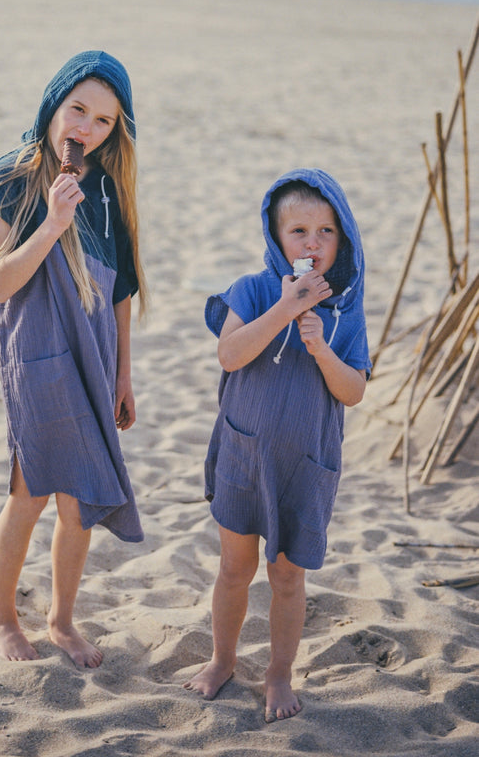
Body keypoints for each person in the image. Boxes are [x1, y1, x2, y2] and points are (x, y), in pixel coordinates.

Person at [0, 50, 147, 667]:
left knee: (79, 497)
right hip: (36, 353)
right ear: (53, 106)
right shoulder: (11, 181)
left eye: (103, 121)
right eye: (78, 110)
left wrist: (123, 372)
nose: (86, 129)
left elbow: (119, 288)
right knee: (30, 490)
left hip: (94, 356)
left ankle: (62, 620)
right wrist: (52, 221)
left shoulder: (111, 193)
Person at [184, 168, 370, 721]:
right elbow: (231, 353)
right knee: (235, 568)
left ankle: (279, 674)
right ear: (275, 235)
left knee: (288, 575)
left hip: (305, 463)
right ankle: (222, 660)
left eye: (326, 232)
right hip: (244, 452)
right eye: (298, 231)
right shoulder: (255, 288)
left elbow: (354, 390)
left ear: (344, 241)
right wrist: (286, 308)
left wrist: (322, 351)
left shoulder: (345, 309)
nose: (312, 243)